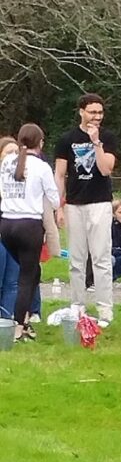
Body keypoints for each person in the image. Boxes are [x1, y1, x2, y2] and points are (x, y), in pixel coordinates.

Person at [54, 93, 118, 327]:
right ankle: (77, 304)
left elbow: (105, 169)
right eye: (92, 112)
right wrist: (58, 206)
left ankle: (105, 309)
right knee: (76, 258)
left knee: (101, 257)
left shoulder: (108, 137)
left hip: (100, 202)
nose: (97, 117)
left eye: (100, 113)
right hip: (74, 203)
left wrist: (96, 142)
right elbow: (60, 174)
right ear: (81, 111)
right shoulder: (66, 139)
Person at [0, 124, 61, 342]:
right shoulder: (42, 166)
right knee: (26, 277)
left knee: (32, 272)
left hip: (7, 224)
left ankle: (23, 317)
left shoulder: (7, 161)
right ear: (41, 143)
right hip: (29, 225)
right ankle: (19, 326)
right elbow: (54, 199)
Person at [0, 136, 19, 322]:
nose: (13, 156)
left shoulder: (22, 177)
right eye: (8, 152)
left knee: (12, 281)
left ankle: (6, 319)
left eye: (16, 152)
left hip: (15, 234)